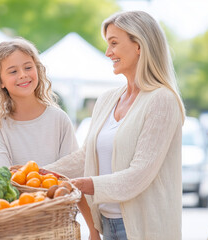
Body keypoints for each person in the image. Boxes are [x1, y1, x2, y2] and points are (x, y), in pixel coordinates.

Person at [44, 10, 186, 240]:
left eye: (114, 43)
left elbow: (138, 175)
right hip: (107, 225)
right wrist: (40, 172)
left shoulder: (162, 100)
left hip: (146, 229)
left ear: (139, 45)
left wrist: (83, 184)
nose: (108, 52)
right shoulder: (107, 99)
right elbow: (86, 157)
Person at [0, 38, 78, 168]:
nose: (22, 75)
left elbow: (71, 168)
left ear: (38, 70)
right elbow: (4, 175)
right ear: (0, 81)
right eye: (13, 71)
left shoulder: (59, 119)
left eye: (28, 67)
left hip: (56, 188)